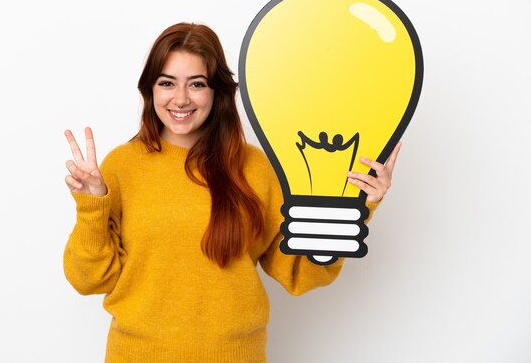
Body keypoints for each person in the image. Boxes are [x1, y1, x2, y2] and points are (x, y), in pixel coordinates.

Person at [63, 22, 401, 363]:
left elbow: (301, 272)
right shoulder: (121, 166)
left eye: (197, 84)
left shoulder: (253, 168)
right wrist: (92, 204)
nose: (180, 99)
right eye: (167, 83)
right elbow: (89, 279)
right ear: (150, 90)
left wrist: (358, 205)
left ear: (217, 92)